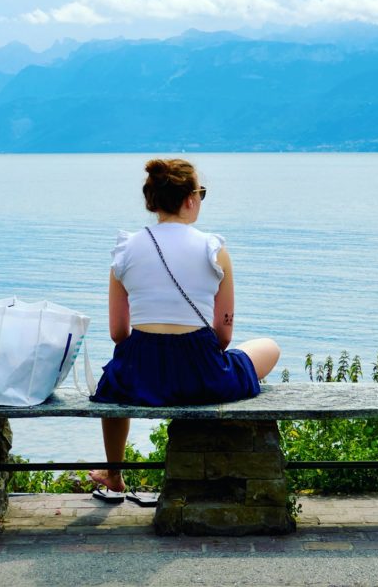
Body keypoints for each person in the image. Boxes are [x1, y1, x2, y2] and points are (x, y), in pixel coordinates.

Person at [88, 158, 280, 495]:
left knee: (116, 375)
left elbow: (118, 333)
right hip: (201, 374)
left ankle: (115, 473)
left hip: (140, 374)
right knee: (269, 348)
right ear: (190, 199)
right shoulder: (214, 250)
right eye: (200, 193)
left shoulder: (125, 250)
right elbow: (223, 336)